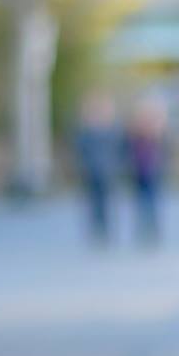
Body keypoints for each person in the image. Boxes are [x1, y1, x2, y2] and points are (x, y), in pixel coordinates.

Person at [73, 93, 121, 245]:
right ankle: (96, 227)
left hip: (107, 171)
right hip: (91, 171)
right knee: (93, 202)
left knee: (106, 202)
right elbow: (80, 149)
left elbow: (119, 150)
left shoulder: (112, 131)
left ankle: (105, 227)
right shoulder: (87, 131)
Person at [125, 97, 169, 246]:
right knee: (142, 202)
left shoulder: (156, 136)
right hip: (139, 173)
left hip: (153, 173)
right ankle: (144, 229)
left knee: (152, 202)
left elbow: (164, 151)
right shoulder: (135, 136)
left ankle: (153, 229)